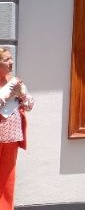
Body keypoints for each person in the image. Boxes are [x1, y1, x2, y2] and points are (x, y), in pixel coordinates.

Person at [0, 48, 33, 210]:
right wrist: (7, 95)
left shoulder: (16, 82)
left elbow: (29, 106)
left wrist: (22, 95)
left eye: (11, 59)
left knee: (7, 176)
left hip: (12, 136)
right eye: (6, 60)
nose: (11, 62)